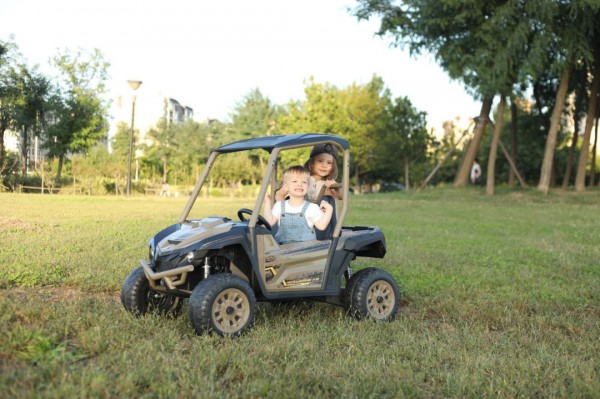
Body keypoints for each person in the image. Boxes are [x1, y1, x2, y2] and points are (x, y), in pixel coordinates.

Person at [264, 165, 334, 245]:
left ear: (307, 187)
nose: (299, 184)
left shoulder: (312, 208)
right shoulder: (279, 206)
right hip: (284, 250)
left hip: (304, 251)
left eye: (304, 182)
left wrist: (329, 209)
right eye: (294, 181)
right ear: (286, 186)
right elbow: (269, 222)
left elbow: (321, 226)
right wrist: (267, 202)